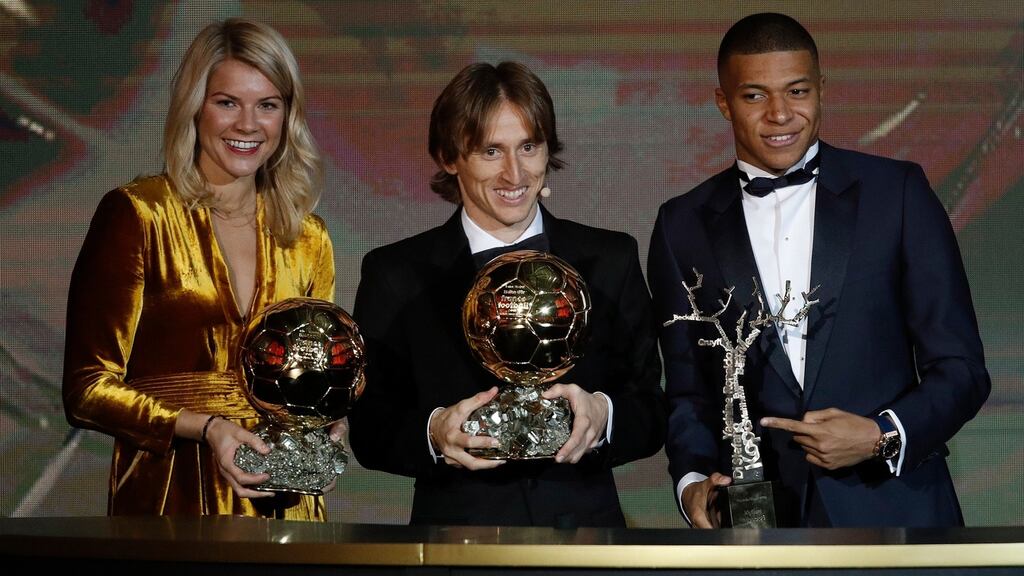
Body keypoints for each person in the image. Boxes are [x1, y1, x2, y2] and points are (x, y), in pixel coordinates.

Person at [648, 13, 991, 528]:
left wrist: (882, 434)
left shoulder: (896, 193)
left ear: (822, 90)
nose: (780, 114)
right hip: (754, 522)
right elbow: (688, 391)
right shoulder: (682, 223)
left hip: (896, 509)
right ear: (723, 102)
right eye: (755, 96)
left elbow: (962, 369)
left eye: (797, 91)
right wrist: (693, 483)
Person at [348, 61, 666, 527]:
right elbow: (371, 428)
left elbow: (652, 410)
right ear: (449, 157)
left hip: (587, 540)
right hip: (457, 540)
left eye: (528, 147)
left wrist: (604, 417)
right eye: (490, 151)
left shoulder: (609, 259)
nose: (514, 174)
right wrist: (434, 434)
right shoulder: (396, 273)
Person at [62, 18, 341, 519]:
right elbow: (87, 390)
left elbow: (317, 373)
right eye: (227, 102)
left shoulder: (308, 237)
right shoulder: (138, 214)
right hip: (174, 496)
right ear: (195, 107)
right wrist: (207, 426)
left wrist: (330, 416)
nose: (248, 125)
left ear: (287, 117)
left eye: (268, 105)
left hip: (286, 498)